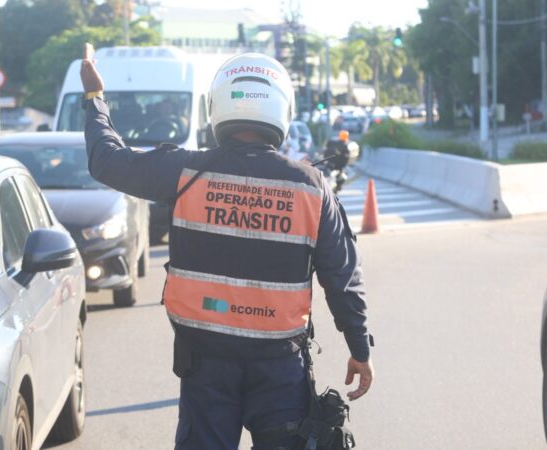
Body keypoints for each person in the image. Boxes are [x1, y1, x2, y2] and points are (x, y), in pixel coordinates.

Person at [81, 44, 373, 449]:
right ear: (282, 108)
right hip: (280, 369)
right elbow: (341, 278)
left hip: (205, 365)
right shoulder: (311, 187)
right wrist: (359, 348)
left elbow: (107, 161)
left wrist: (95, 100)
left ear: (216, 106)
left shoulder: (184, 171)